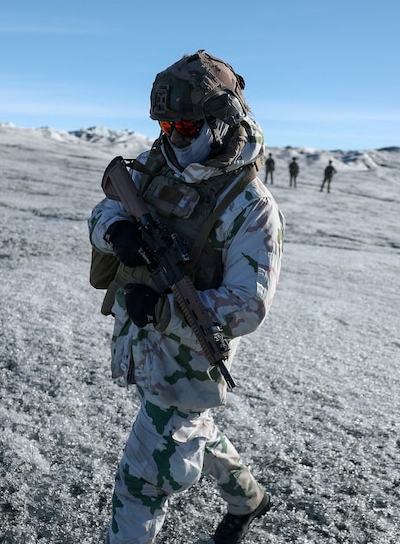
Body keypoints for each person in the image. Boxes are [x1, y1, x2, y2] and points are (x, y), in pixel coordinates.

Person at [88, 51, 283, 544]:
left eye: (185, 126)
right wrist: (117, 234)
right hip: (142, 345)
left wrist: (163, 310)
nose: (172, 136)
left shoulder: (251, 207)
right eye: (166, 124)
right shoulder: (156, 164)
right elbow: (102, 212)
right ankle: (248, 499)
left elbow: (249, 304)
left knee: (141, 485)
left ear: (221, 123)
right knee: (195, 426)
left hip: (190, 358)